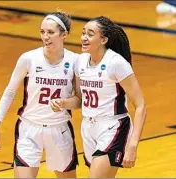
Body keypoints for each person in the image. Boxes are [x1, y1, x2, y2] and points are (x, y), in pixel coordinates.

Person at [50, 16, 147, 178]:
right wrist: (63, 102)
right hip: (88, 127)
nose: (84, 38)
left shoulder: (116, 63)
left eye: (90, 34)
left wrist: (133, 144)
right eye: (83, 33)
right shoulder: (80, 62)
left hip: (113, 127)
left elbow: (140, 105)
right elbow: (80, 100)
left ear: (103, 40)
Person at [0, 11, 80, 178]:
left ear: (64, 34)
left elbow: (79, 100)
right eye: (42, 32)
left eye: (51, 32)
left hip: (59, 129)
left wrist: (66, 103)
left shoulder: (76, 61)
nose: (45, 37)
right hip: (29, 129)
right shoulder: (28, 58)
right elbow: (10, 92)